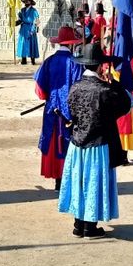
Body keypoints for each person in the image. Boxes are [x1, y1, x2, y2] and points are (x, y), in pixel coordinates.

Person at [58, 43, 132, 239]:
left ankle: (78, 224)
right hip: (98, 145)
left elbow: (72, 112)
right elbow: (127, 105)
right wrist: (115, 83)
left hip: (77, 143)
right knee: (93, 184)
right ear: (100, 67)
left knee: (79, 182)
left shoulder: (75, 87)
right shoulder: (105, 91)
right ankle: (90, 227)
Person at [34, 26, 84, 190]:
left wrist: (50, 96)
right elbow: (80, 89)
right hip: (69, 112)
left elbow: (39, 90)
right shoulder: (76, 63)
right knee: (68, 142)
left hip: (51, 109)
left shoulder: (48, 62)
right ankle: (67, 178)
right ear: (71, 44)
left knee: (54, 140)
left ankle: (57, 179)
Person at [16, 0, 40, 65]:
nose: (26, 2)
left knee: (31, 43)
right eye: (25, 1)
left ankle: (33, 60)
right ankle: (24, 60)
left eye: (27, 1)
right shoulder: (22, 10)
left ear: (30, 2)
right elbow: (20, 19)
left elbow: (37, 21)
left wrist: (33, 29)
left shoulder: (34, 11)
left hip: (30, 28)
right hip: (23, 29)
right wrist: (15, 23)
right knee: (23, 43)